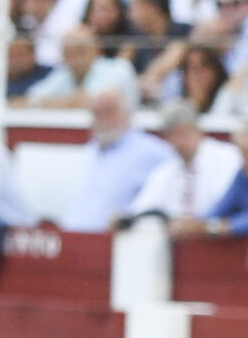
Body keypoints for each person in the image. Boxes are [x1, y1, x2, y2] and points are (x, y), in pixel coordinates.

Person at [60, 87, 168, 234]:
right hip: (77, 244)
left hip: (122, 247)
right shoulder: (90, 151)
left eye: (108, 112)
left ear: (126, 114)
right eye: (97, 114)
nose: (102, 120)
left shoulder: (153, 152)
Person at [129, 99, 240, 232]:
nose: (180, 142)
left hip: (219, 242)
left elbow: (228, 206)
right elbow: (141, 210)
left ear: (198, 131)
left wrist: (199, 223)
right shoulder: (165, 171)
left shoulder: (227, 157)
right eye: (174, 135)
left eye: (184, 133)